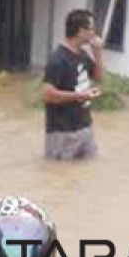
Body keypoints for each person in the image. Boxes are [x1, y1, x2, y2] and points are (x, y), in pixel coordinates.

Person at [43, 9, 104, 161]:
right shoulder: (57, 59)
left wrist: (98, 53)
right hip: (62, 133)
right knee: (58, 177)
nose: (94, 32)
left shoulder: (82, 55)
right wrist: (80, 96)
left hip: (85, 127)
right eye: (91, 28)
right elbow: (48, 94)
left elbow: (99, 78)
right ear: (80, 31)